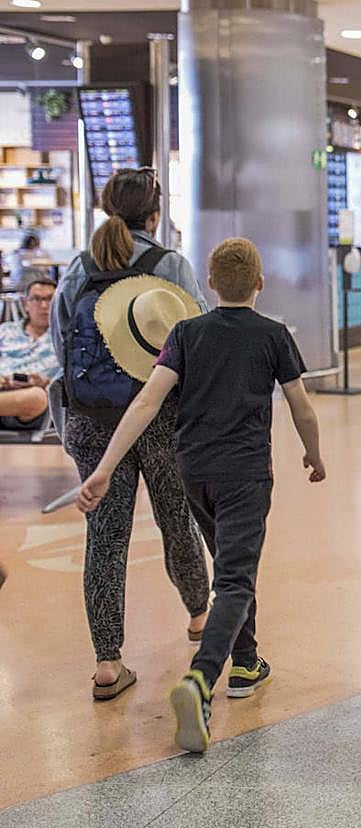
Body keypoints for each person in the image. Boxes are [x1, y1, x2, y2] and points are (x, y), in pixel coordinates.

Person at [76, 237, 325, 753]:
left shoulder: (186, 333)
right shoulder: (274, 335)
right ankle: (201, 678)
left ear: (210, 284)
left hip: (195, 473)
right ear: (259, 283)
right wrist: (314, 454)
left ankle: (247, 660)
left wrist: (104, 468)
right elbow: (300, 403)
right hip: (246, 473)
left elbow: (148, 400)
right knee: (235, 579)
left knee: (228, 561)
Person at [51, 167, 211, 700]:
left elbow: (60, 348)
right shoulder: (170, 266)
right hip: (162, 415)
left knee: (106, 535)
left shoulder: (77, 269)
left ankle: (106, 662)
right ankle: (197, 614)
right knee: (176, 518)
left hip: (92, 421)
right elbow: (196, 338)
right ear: (154, 213)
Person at [0, 273, 59, 430]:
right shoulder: (5, 331)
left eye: (49, 299)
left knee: (36, 397)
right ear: (26, 304)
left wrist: (45, 382)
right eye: (37, 299)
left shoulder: (63, 338)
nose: (44, 306)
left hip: (30, 404)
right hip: (3, 393)